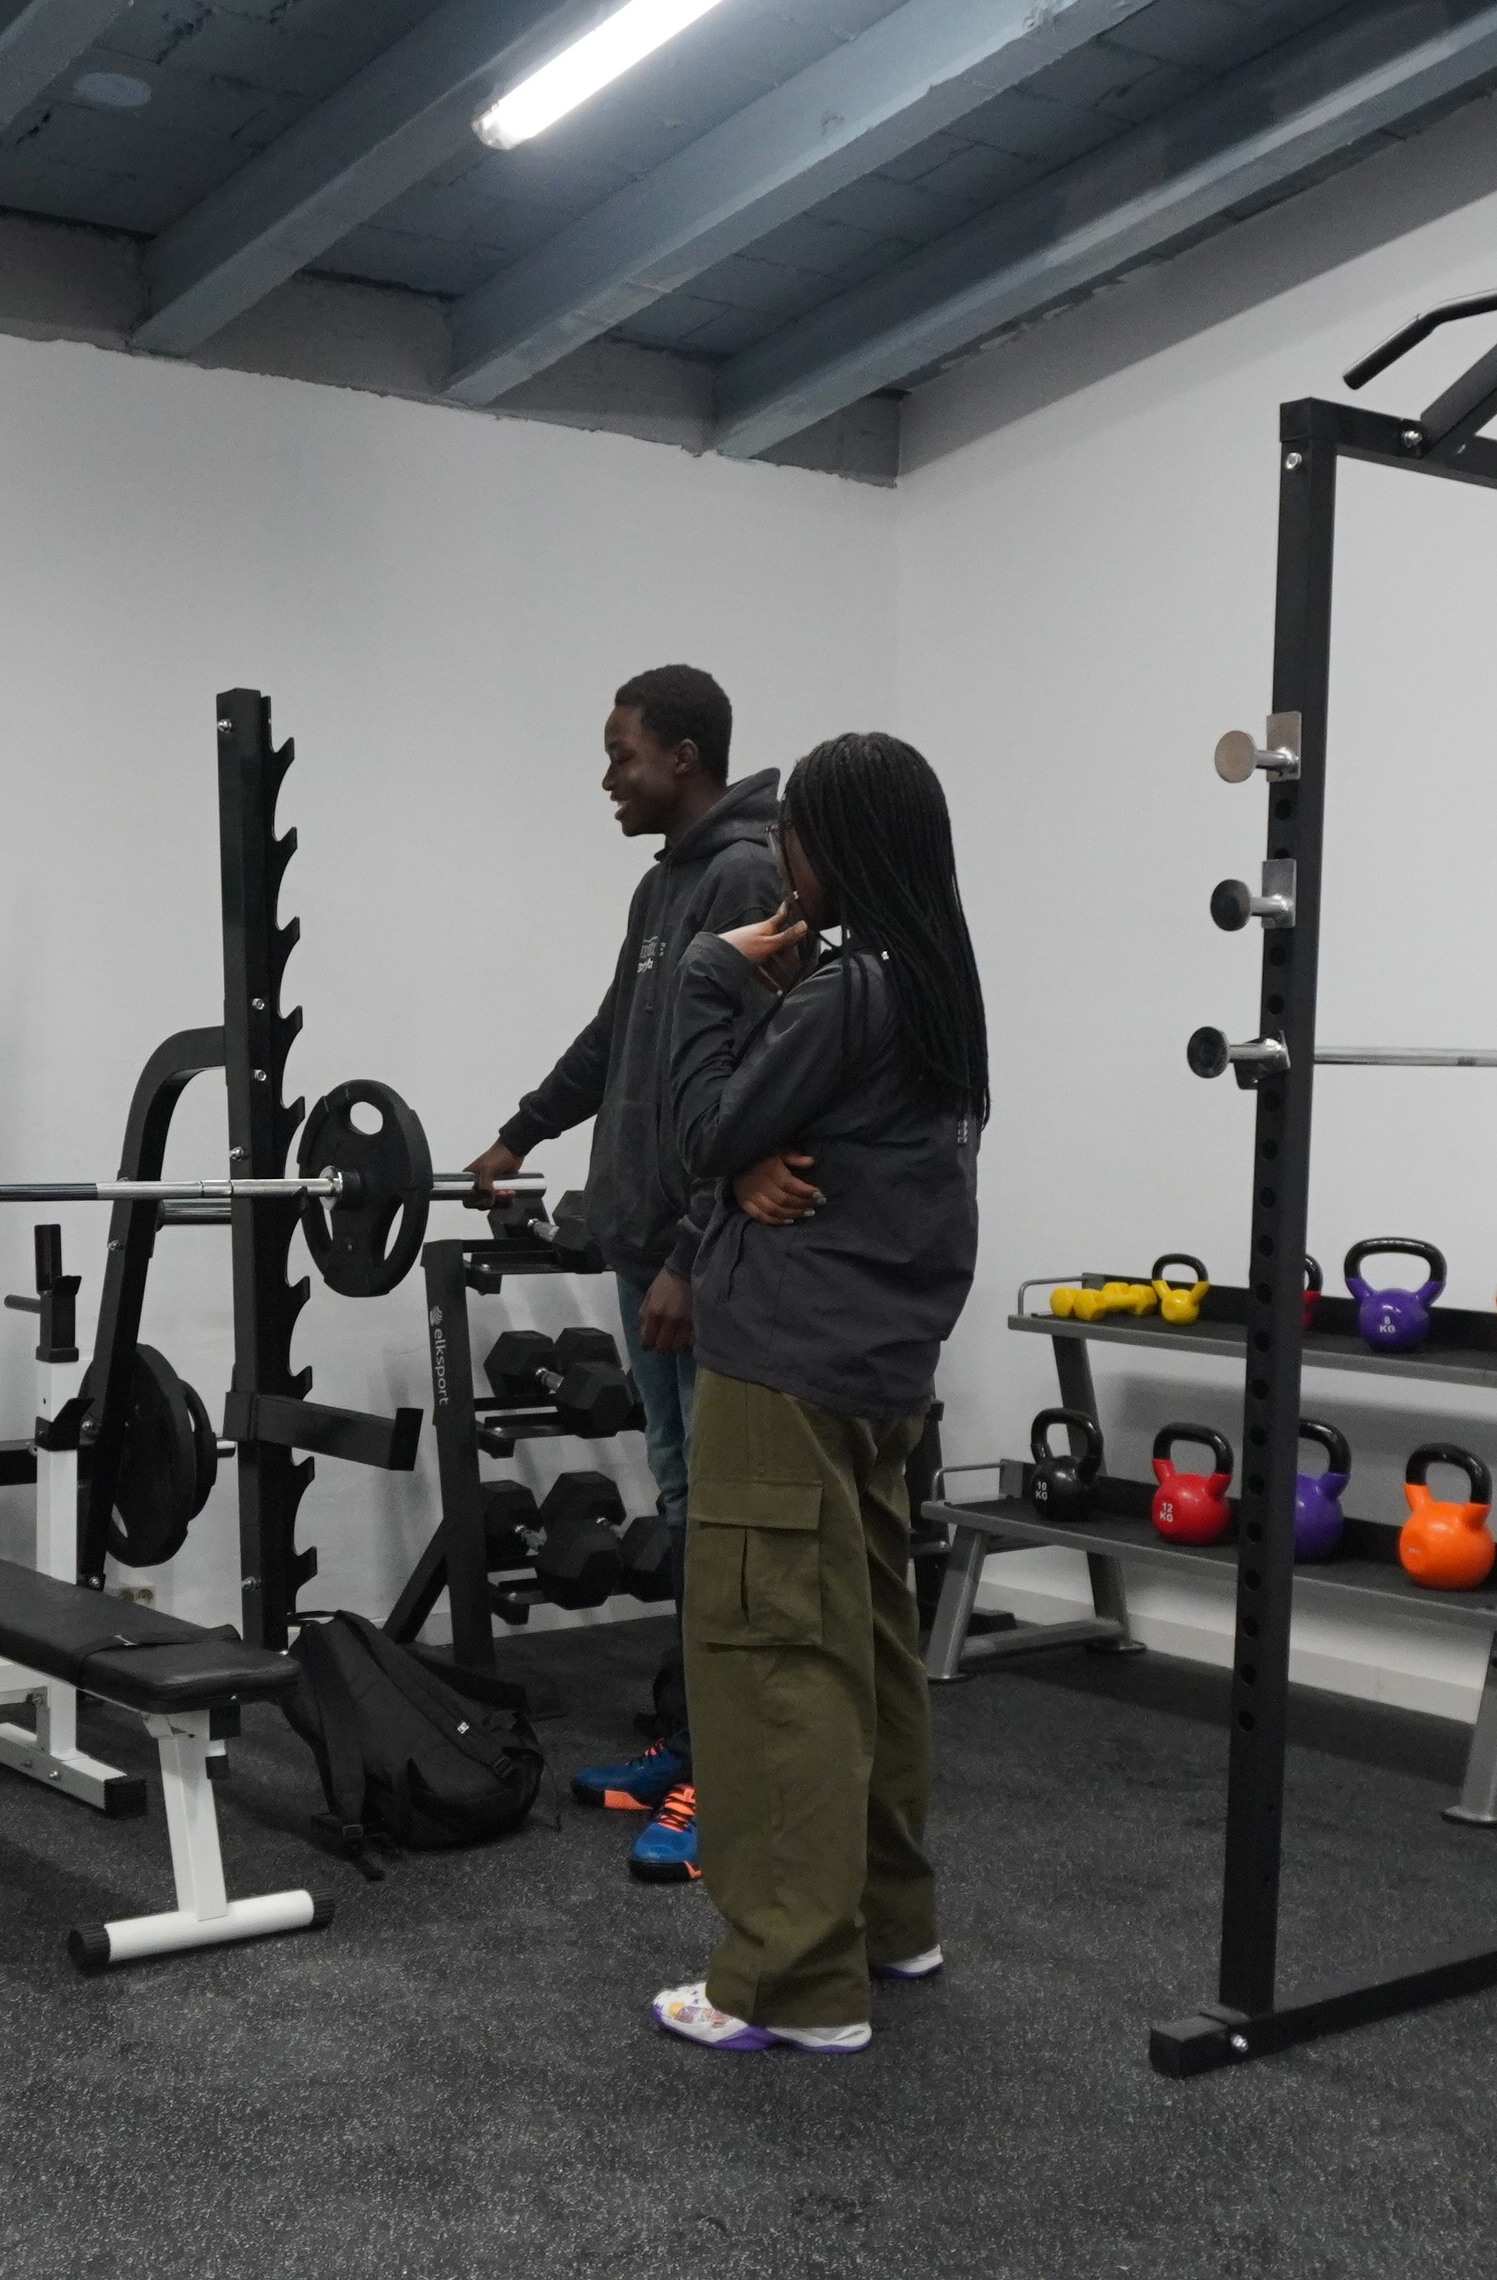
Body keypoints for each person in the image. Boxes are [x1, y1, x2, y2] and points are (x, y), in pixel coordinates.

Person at [644, 731, 987, 2054]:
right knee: (870, 1656)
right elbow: (766, 1140)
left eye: (792, 831)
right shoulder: (934, 984)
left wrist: (708, 978)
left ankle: (787, 1982)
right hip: (877, 1372)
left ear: (832, 847)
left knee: (774, 1663)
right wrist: (744, 1156)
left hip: (783, 1368)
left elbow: (696, 1132)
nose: (778, 852)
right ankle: (889, 1925)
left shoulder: (848, 990)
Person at [464, 665, 781, 1878]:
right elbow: (619, 1037)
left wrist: (693, 1257)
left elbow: (751, 1089)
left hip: (701, 1266)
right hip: (640, 1244)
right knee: (685, 1503)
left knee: (726, 1519)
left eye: (623, 754)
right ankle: (691, 1739)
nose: (608, 778)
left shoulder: (746, 876)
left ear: (684, 756)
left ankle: (732, 1779)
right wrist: (521, 1132)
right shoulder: (664, 886)